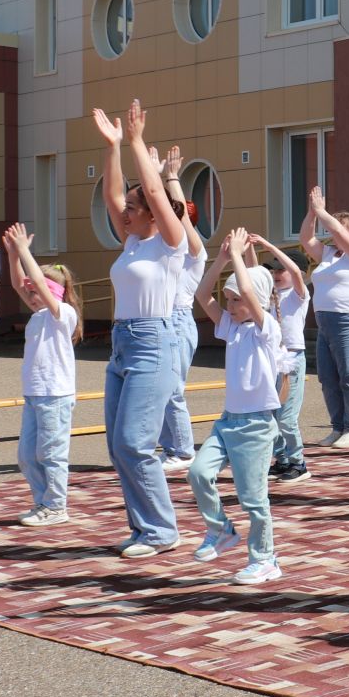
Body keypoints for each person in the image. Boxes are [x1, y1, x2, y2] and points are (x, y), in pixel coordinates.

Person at [92, 100, 187, 558]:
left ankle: (162, 530)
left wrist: (136, 143)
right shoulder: (132, 241)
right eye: (127, 208)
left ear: (153, 209)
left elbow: (149, 189)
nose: (124, 213)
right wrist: (112, 147)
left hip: (155, 342)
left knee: (134, 442)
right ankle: (142, 526)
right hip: (122, 343)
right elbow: (114, 196)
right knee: (118, 445)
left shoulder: (171, 242)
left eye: (134, 207)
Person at [188, 229, 287, 586]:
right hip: (228, 421)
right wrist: (222, 258)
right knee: (198, 473)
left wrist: (241, 258)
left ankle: (265, 559)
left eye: (235, 301)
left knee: (253, 498)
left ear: (255, 301)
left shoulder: (267, 328)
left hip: (257, 425)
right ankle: (222, 530)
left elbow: (250, 290)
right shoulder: (232, 328)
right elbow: (201, 294)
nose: (229, 307)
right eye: (227, 301)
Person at [1, 222, 79, 527]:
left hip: (55, 395)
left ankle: (56, 506)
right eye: (30, 293)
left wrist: (24, 250)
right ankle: (42, 503)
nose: (31, 295)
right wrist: (12, 255)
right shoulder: (37, 316)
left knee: (51, 454)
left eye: (39, 292)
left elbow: (36, 283)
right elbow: (21, 283)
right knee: (26, 456)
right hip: (35, 394)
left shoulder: (62, 315)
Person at [300, 186, 349, 450]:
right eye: (333, 228)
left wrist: (323, 212)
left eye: (342, 228)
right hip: (325, 322)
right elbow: (306, 238)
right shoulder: (329, 255)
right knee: (328, 378)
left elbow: (340, 233)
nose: (335, 232)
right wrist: (312, 213)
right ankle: (338, 427)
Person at [155, 148, 207, 475]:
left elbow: (180, 216)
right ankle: (171, 447)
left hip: (178, 322)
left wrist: (172, 178)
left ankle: (184, 450)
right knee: (159, 389)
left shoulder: (194, 252)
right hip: (161, 322)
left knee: (172, 390)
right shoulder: (167, 251)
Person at [254, 234, 311, 485]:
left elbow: (296, 275)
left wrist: (268, 244)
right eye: (273, 269)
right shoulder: (270, 296)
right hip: (271, 359)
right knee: (272, 414)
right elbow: (254, 272)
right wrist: (250, 249)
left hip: (292, 358)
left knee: (287, 417)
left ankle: (299, 462)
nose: (276, 273)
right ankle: (282, 459)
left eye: (281, 269)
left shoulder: (299, 294)